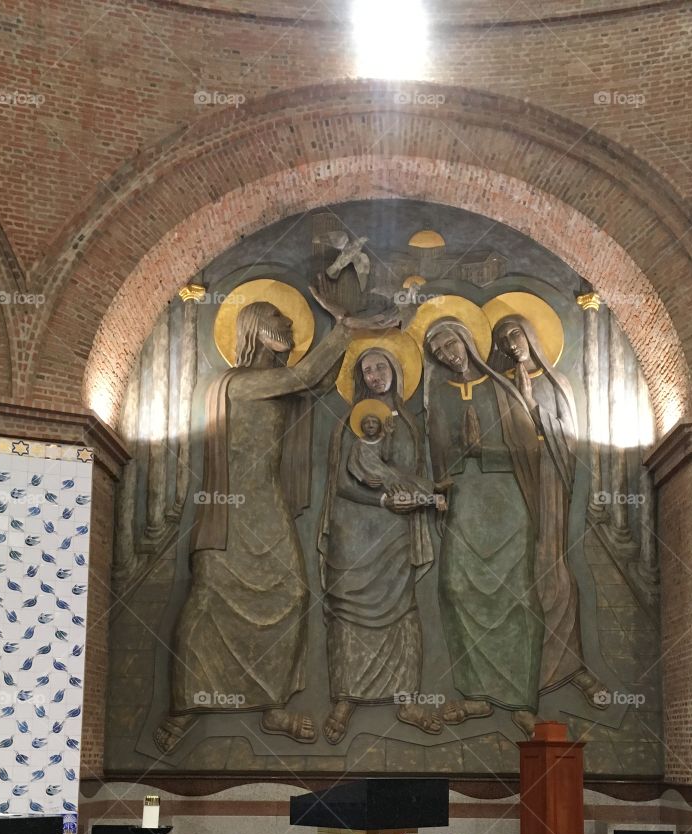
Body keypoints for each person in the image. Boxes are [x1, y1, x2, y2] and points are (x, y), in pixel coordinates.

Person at [154, 291, 390, 754]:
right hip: (232, 506)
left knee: (292, 593)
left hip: (266, 500)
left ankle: (271, 704)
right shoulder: (238, 382)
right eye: (279, 321)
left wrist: (353, 327)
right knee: (208, 600)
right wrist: (345, 328)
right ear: (255, 330)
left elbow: (313, 383)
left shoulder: (278, 382)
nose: (290, 329)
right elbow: (303, 374)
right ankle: (184, 706)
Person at [422, 315, 546, 737]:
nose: (446, 353)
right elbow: (437, 454)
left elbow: (529, 447)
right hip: (464, 497)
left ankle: (522, 701)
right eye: (437, 351)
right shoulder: (437, 395)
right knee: (456, 587)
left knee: (519, 595)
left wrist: (483, 450)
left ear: (466, 340)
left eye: (450, 343)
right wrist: (441, 485)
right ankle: (476, 693)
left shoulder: (501, 385)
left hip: (507, 498)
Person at [318, 342, 441, 745]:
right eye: (367, 370)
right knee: (349, 612)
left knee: (402, 609)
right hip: (354, 532)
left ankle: (406, 700)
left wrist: (420, 497)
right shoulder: (347, 424)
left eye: (380, 366)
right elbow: (340, 485)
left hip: (394, 534)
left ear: (395, 370)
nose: (374, 375)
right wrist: (383, 499)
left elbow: (415, 473)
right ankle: (344, 701)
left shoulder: (407, 422)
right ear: (359, 379)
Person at [491, 312, 606, 703]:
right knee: (518, 576)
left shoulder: (556, 383)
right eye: (504, 342)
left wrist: (531, 406)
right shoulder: (499, 388)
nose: (511, 345)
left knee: (553, 571)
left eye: (515, 335)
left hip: (551, 483)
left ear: (531, 334)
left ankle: (567, 666)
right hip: (512, 490)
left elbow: (566, 437)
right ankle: (516, 673)